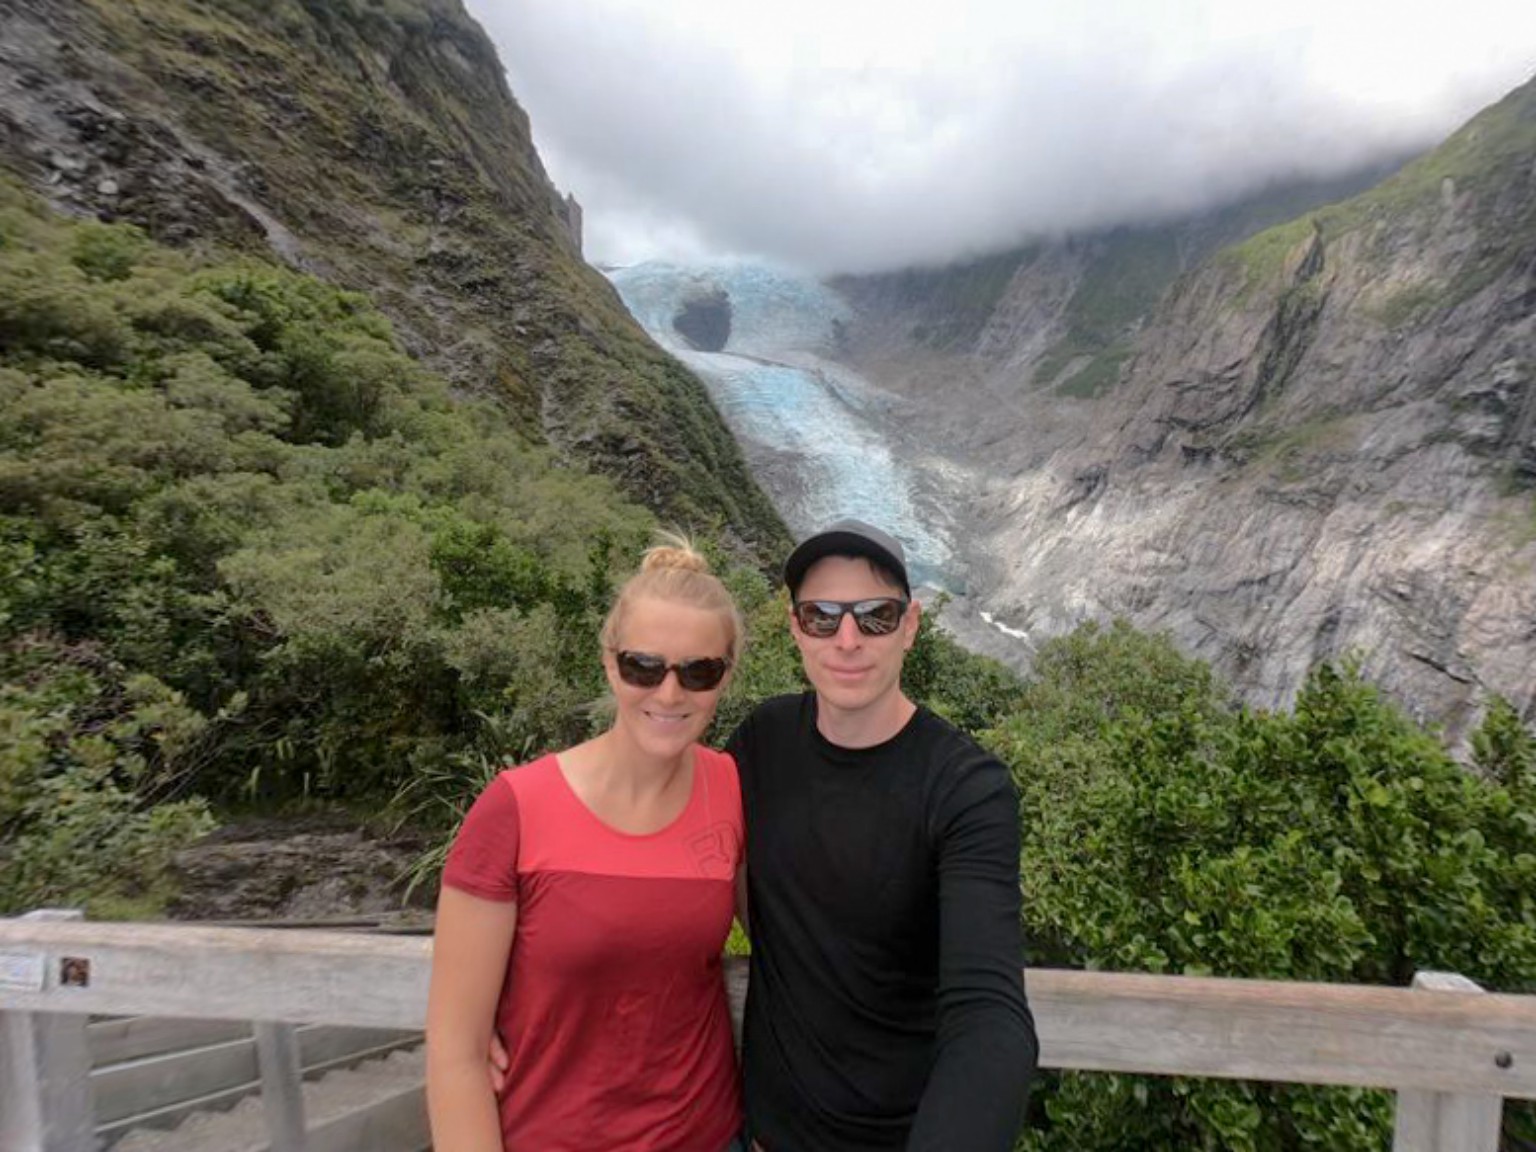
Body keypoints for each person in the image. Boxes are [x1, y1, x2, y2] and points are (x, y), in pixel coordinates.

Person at [426, 538, 748, 1152]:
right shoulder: (516, 808)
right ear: (609, 662)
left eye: (699, 671)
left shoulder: (733, 789)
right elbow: (456, 1052)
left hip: (706, 1137)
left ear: (725, 676)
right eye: (643, 667)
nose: (670, 694)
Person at [729, 517, 1038, 1150]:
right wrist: (482, 1008)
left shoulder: (966, 788)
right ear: (795, 628)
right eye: (821, 616)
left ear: (910, 627)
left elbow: (987, 1010)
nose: (847, 639)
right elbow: (661, 861)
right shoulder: (760, 743)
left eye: (874, 615)